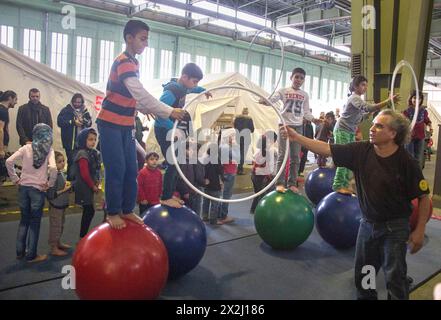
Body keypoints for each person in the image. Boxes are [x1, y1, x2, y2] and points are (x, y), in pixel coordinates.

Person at [281, 109, 431, 300]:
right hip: (367, 225)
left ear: (393, 134)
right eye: (373, 123)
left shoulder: (407, 162)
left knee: (395, 276)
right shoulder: (361, 150)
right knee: (365, 274)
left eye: (379, 126)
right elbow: (326, 149)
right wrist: (296, 137)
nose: (372, 129)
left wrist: (419, 230)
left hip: (395, 228)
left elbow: (424, 197)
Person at [95, 20, 186, 229]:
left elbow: (131, 95)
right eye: (142, 39)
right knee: (116, 168)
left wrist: (145, 109)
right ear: (129, 38)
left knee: (131, 168)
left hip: (126, 125)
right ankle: (113, 211)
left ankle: (127, 210)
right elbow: (139, 92)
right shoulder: (124, 61)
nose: (146, 43)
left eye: (147, 39)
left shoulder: (134, 63)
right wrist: (168, 110)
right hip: (110, 123)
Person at [154, 62, 211, 208]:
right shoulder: (171, 91)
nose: (195, 84)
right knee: (173, 163)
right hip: (164, 129)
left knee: (177, 162)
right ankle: (165, 196)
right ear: (184, 77)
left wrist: (203, 90)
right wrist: (171, 130)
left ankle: (170, 193)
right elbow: (159, 113)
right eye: (194, 81)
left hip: (172, 130)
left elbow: (194, 88)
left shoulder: (183, 87)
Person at [333, 75, 399, 194]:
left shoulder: (358, 100)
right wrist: (387, 101)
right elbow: (368, 108)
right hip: (342, 129)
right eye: (363, 85)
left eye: (366, 85)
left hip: (349, 130)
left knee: (348, 157)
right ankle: (338, 185)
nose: (365, 88)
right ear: (355, 86)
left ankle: (344, 183)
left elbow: (361, 117)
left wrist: (367, 114)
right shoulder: (354, 98)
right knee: (343, 157)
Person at [260, 67, 317, 193]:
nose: (298, 80)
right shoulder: (283, 91)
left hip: (298, 127)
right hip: (284, 125)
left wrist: (314, 119)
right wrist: (265, 101)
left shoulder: (305, 95)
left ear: (304, 80)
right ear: (291, 77)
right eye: (296, 77)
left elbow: (306, 111)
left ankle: (292, 183)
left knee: (295, 157)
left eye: (301, 78)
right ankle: (279, 183)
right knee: (282, 155)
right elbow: (272, 99)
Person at [6, 124, 57, 263]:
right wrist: (50, 184)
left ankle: (19, 252)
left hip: (23, 188)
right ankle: (31, 255)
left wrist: (15, 179)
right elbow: (53, 168)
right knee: (35, 223)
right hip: (38, 190)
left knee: (24, 221)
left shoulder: (26, 147)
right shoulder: (49, 150)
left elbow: (8, 161)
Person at [73, 128, 101, 239]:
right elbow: (84, 174)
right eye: (90, 139)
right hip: (84, 186)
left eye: (94, 139)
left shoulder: (91, 153)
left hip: (88, 186)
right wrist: (92, 186)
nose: (93, 142)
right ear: (83, 140)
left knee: (89, 211)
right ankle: (83, 236)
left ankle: (83, 235)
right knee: (89, 211)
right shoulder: (82, 154)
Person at [57, 93, 92, 181]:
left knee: (82, 162)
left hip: (82, 142)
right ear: (72, 101)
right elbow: (60, 122)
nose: (77, 104)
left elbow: (89, 123)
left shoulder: (85, 111)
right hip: (70, 142)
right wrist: (73, 122)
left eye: (79, 102)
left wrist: (83, 121)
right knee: (71, 161)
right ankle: (70, 181)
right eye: (75, 102)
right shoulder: (66, 110)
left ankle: (79, 181)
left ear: (82, 102)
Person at [46, 151, 71, 256]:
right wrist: (64, 190)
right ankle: (53, 247)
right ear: (53, 163)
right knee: (55, 226)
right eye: (59, 162)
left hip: (61, 205)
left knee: (61, 225)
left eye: (63, 161)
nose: (63, 163)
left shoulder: (60, 173)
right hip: (56, 205)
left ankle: (58, 242)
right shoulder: (53, 175)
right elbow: (51, 194)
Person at [402, 90, 432, 169]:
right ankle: (409, 175)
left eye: (419, 98)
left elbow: (426, 120)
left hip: (420, 137)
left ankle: (416, 175)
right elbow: (403, 123)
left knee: (418, 157)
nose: (416, 100)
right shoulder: (406, 111)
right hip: (409, 137)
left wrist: (430, 126)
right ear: (411, 99)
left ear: (421, 100)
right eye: (414, 98)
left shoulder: (424, 111)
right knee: (410, 157)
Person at [250, 130, 278, 214]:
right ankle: (263, 211)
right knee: (266, 195)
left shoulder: (258, 151)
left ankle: (254, 209)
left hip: (255, 175)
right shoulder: (272, 151)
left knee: (258, 193)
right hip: (264, 177)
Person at [218, 128, 239, 224]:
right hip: (228, 172)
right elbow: (236, 157)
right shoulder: (226, 147)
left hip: (227, 171)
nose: (234, 138)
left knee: (224, 194)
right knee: (226, 194)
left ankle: (220, 214)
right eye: (232, 136)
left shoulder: (223, 146)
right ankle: (223, 215)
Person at [201, 142, 223, 225]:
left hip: (206, 184)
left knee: (205, 201)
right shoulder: (216, 159)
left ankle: (204, 216)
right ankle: (213, 220)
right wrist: (222, 182)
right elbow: (220, 172)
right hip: (215, 184)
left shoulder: (204, 159)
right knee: (215, 203)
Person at [137, 151, 162, 216]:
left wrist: (159, 196)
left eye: (156, 159)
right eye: (151, 159)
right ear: (146, 161)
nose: (154, 161)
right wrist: (142, 198)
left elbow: (160, 185)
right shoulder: (142, 173)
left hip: (155, 201)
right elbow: (139, 186)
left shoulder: (159, 172)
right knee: (144, 217)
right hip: (145, 202)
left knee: (154, 216)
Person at [233, 108, 255, 175]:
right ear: (247, 112)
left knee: (238, 153)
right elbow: (252, 130)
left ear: (242, 112)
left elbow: (235, 127)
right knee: (243, 154)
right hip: (246, 138)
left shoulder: (237, 118)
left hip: (238, 137)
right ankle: (240, 169)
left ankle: (237, 168)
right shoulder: (249, 119)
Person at [0, 90, 17, 159]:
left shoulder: (4, 110)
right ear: (10, 98)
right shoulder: (2, 110)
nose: (16, 102)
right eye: (15, 99)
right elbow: (0, 130)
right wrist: (1, 149)